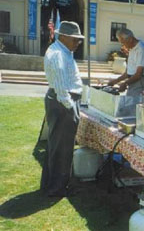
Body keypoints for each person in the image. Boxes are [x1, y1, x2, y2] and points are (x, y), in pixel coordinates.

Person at [41, 21, 84, 197]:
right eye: (75, 39)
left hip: (61, 101)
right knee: (62, 148)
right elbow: (60, 86)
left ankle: (53, 184)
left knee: (58, 145)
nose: (78, 43)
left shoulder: (63, 51)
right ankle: (56, 188)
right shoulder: (58, 54)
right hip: (62, 102)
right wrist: (70, 106)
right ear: (64, 37)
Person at [108, 28, 144, 110]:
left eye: (123, 42)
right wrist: (115, 81)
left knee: (137, 110)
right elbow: (128, 73)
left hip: (140, 83)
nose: (123, 45)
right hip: (133, 82)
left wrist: (125, 84)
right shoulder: (132, 49)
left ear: (130, 39)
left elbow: (138, 74)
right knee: (129, 109)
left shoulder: (141, 49)